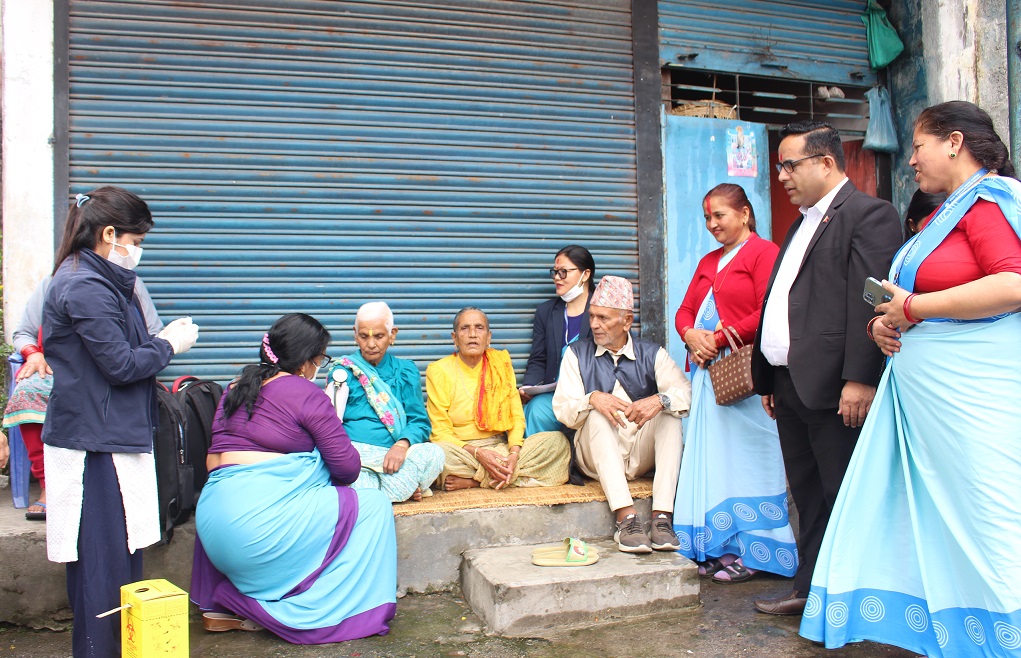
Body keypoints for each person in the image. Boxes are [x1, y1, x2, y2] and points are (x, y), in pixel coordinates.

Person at [801, 102, 1021, 656]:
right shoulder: (946, 212)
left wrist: (915, 308)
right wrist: (888, 324)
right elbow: (913, 304)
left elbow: (1014, 283)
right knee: (935, 519)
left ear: (953, 142)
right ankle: (962, 630)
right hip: (929, 400)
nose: (910, 162)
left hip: (974, 399)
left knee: (987, 516)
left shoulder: (990, 201)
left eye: (917, 147)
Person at [750, 121, 902, 615]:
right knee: (808, 492)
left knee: (841, 489)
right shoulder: (801, 221)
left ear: (827, 163)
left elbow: (869, 300)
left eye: (790, 164)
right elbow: (786, 300)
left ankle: (850, 596)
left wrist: (860, 377)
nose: (783, 175)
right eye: (780, 167)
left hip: (836, 386)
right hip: (791, 382)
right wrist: (770, 374)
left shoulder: (868, 215)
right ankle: (808, 588)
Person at [41, 187, 199, 657]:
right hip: (94, 444)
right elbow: (121, 364)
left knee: (122, 560)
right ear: (109, 234)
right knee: (101, 566)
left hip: (109, 434)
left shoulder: (100, 279)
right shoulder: (84, 286)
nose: (139, 248)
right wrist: (170, 345)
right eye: (137, 238)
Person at [191, 313, 397, 644]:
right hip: (257, 533)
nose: (319, 366)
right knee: (372, 505)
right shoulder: (305, 393)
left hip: (212, 525)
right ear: (305, 362)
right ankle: (310, 607)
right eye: (320, 359)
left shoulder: (233, 389)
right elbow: (346, 469)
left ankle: (220, 609)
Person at [673, 184, 796, 583]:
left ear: (744, 213)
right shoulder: (709, 260)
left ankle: (763, 555)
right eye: (707, 218)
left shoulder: (764, 254)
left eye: (719, 216)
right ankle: (720, 546)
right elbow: (685, 309)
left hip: (746, 374)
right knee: (717, 460)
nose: (712, 224)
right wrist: (691, 335)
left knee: (753, 459)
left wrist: (719, 338)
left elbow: (769, 312)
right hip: (709, 377)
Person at [3, 274, 163, 521]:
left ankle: (112, 487)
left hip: (115, 367)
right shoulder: (54, 283)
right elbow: (23, 332)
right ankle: (48, 485)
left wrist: (140, 359)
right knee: (27, 393)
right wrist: (33, 354)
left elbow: (154, 334)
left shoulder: (131, 284)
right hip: (62, 368)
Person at [553, 276, 692, 553]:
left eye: (604, 318)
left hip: (639, 455)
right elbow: (563, 411)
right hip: (593, 457)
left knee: (668, 412)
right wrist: (592, 398)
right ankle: (626, 517)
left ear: (626, 321)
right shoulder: (576, 354)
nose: (594, 324)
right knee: (596, 413)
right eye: (592, 316)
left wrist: (659, 399)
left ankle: (662, 517)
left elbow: (686, 394)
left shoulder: (653, 354)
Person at [426, 306, 570, 491]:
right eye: (464, 328)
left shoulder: (501, 364)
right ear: (455, 338)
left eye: (479, 328)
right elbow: (439, 432)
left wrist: (513, 454)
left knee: (557, 442)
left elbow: (516, 417)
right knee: (434, 454)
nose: (472, 334)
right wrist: (479, 453)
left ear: (489, 337)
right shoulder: (438, 370)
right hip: (463, 451)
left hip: (499, 447)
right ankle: (508, 477)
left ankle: (476, 481)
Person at [326, 301, 444, 503]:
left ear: (393, 335)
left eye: (379, 336)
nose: (371, 344)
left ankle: (385, 492)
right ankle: (404, 489)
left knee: (435, 453)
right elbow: (331, 424)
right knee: (354, 478)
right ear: (355, 334)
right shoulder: (343, 371)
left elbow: (419, 422)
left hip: (395, 459)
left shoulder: (405, 371)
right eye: (364, 336)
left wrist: (402, 445)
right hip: (356, 457)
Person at [520, 245, 595, 435]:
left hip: (592, 395)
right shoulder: (546, 312)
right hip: (556, 396)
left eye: (563, 272)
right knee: (535, 410)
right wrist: (530, 387)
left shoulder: (602, 309)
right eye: (554, 272)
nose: (556, 278)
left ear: (585, 274)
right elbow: (538, 358)